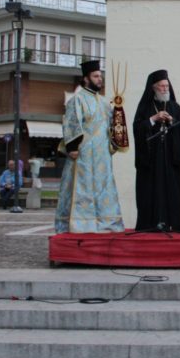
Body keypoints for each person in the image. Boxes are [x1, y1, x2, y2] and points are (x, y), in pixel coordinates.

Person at [55, 60, 125, 233]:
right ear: (86, 78)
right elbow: (71, 123)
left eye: (100, 76)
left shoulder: (104, 102)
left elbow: (111, 126)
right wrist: (72, 147)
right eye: (96, 76)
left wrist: (118, 113)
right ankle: (81, 225)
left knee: (103, 189)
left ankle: (106, 224)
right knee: (83, 189)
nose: (100, 80)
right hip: (83, 154)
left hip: (102, 155)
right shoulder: (76, 100)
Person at [133, 69, 180, 232]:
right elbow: (137, 129)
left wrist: (172, 121)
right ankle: (150, 224)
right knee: (151, 191)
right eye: (161, 87)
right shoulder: (145, 107)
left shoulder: (175, 107)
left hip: (170, 158)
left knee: (172, 190)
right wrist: (153, 119)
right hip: (152, 159)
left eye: (166, 86)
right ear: (153, 88)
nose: (165, 89)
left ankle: (173, 223)